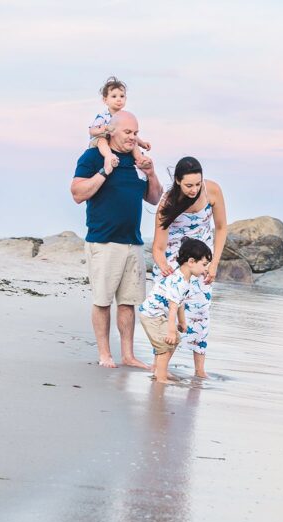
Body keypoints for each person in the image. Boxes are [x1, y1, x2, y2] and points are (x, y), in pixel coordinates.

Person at [71, 110, 163, 369]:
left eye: (136, 132)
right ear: (111, 131)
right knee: (102, 301)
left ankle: (128, 355)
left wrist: (152, 173)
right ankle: (104, 354)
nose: (133, 137)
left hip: (133, 243)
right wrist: (104, 171)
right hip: (104, 241)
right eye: (128, 132)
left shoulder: (137, 161)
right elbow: (77, 193)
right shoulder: (93, 157)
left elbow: (155, 198)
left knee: (128, 303)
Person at [151, 156, 228, 379]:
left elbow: (221, 228)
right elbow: (157, 247)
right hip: (173, 265)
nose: (194, 189)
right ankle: (160, 368)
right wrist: (166, 269)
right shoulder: (168, 202)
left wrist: (214, 264)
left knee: (200, 314)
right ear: (177, 181)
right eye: (188, 185)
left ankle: (200, 370)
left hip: (201, 265)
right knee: (170, 318)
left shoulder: (212, 191)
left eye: (197, 183)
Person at [138, 238, 212, 383]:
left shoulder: (185, 279)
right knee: (166, 343)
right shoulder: (178, 281)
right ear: (191, 262)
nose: (206, 269)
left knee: (175, 340)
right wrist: (171, 330)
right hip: (152, 314)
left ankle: (161, 371)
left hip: (158, 315)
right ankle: (161, 376)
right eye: (204, 265)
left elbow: (180, 303)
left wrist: (182, 322)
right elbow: (173, 308)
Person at [88, 76, 152, 175]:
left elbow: (131, 133)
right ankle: (109, 156)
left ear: (125, 98)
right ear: (105, 100)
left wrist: (142, 143)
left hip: (118, 141)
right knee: (102, 141)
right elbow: (92, 130)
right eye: (114, 96)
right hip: (102, 139)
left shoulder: (124, 117)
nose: (118, 99)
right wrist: (101, 130)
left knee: (131, 139)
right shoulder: (103, 116)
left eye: (121, 96)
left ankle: (140, 158)